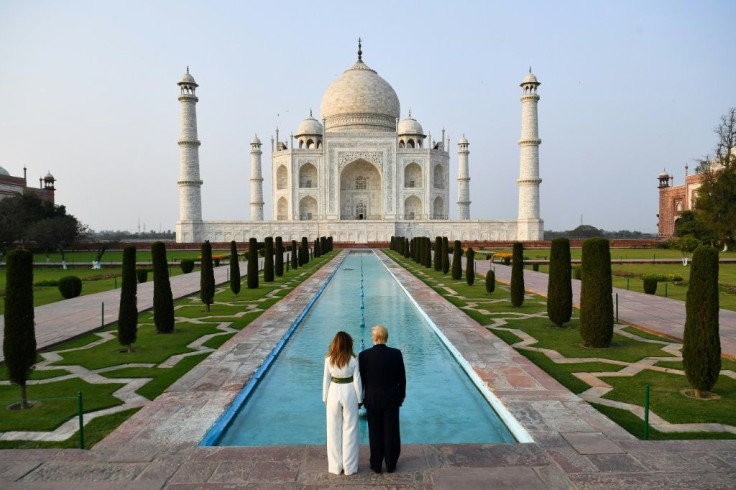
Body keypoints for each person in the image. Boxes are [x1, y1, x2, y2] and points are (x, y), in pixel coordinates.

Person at [358, 324, 406, 474]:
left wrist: (361, 398)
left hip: (373, 399)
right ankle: (391, 464)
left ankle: (376, 464)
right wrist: (401, 396)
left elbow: (362, 380)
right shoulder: (396, 354)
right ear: (386, 336)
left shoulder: (364, 355)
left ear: (374, 337)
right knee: (391, 432)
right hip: (392, 398)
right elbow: (402, 379)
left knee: (375, 432)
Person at [323, 331, 363, 475]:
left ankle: (335, 467)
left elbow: (326, 380)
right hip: (349, 392)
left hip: (333, 392)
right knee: (350, 429)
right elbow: (357, 381)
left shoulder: (328, 359)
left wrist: (325, 398)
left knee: (333, 430)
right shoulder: (353, 359)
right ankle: (350, 467)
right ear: (348, 343)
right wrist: (360, 399)